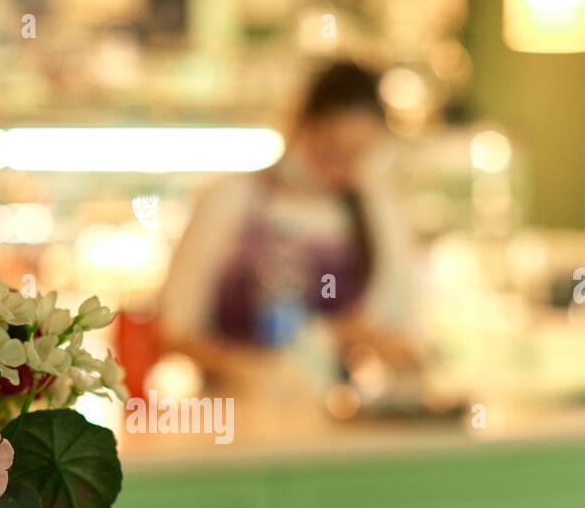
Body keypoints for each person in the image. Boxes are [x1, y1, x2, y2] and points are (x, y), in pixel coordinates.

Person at [157, 61, 421, 389]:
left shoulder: (375, 211)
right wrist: (253, 370)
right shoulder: (231, 199)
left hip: (335, 421)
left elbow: (402, 333)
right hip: (234, 416)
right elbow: (174, 330)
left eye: (356, 156)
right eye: (329, 152)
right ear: (297, 126)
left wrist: (369, 343)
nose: (340, 170)